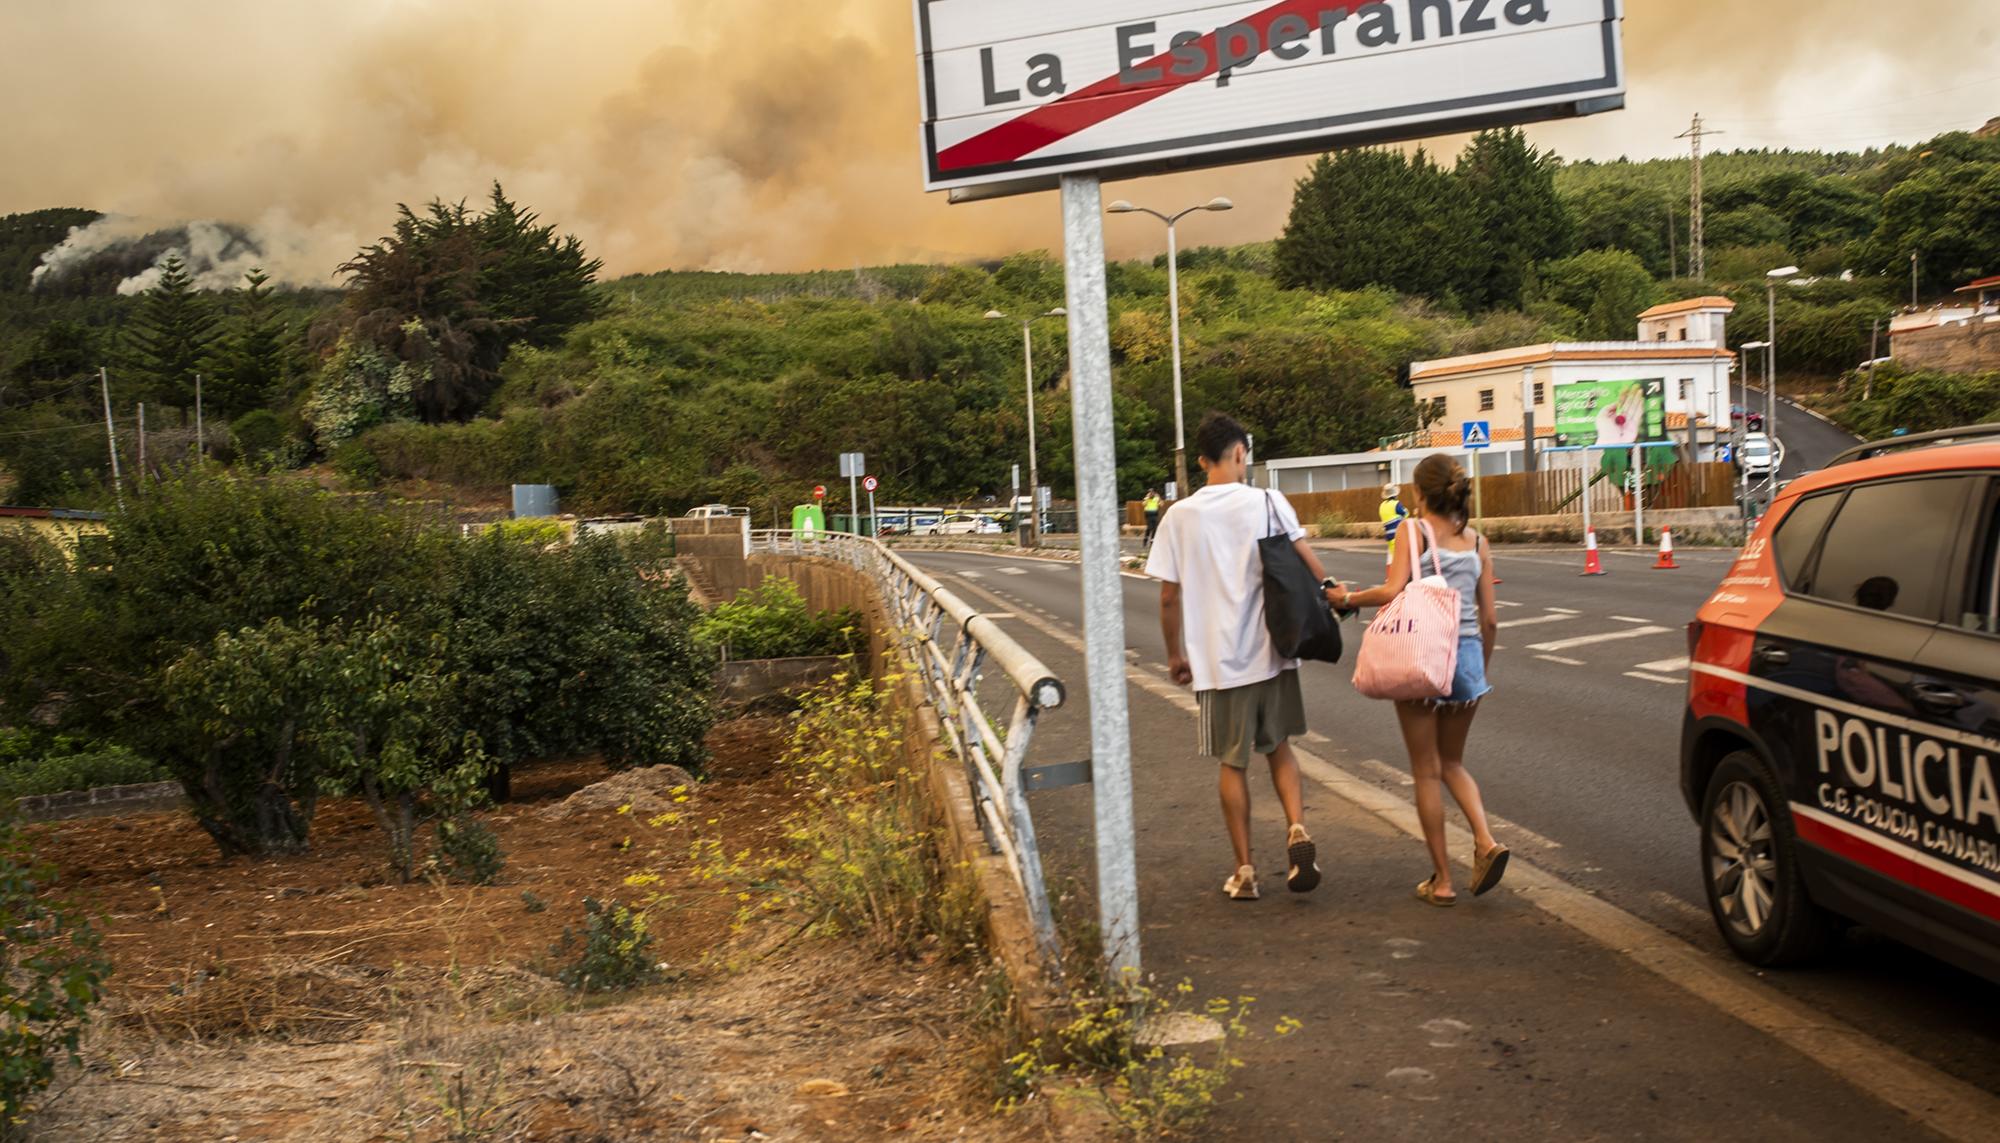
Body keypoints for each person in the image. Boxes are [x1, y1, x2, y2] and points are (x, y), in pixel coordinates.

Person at [1147, 413, 1334, 900]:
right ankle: (1296, 829)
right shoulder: (1270, 502)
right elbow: (1307, 562)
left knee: (1232, 765)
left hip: (1217, 660)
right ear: (1239, 453)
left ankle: (1245, 870)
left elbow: (1169, 597)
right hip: (1272, 651)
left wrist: (1175, 655)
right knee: (1280, 749)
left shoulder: (1179, 516)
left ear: (1203, 460)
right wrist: (1336, 593)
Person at [1329, 454, 1509, 907]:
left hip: (1423, 654)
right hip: (1466, 659)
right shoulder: (1479, 543)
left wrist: (1347, 597)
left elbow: (1392, 591)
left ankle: (1443, 881)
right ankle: (1486, 841)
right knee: (1453, 763)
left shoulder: (1413, 531)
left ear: (1420, 493)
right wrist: (1479, 670)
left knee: (1425, 771)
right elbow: (1489, 620)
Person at [1378, 483, 1409, 567]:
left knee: (1392, 558)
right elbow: (1405, 513)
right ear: (1395, 494)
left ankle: (1390, 577)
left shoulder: (1382, 506)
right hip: (1399, 534)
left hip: (1389, 535)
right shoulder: (1396, 504)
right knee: (1403, 559)